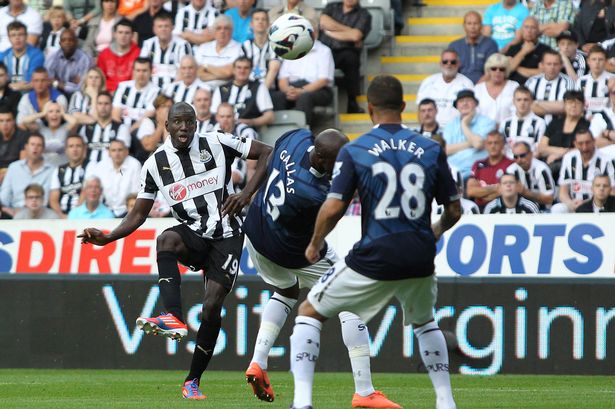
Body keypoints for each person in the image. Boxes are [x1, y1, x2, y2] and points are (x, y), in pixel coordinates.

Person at [78, 101, 272, 399]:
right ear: (166, 126)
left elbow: (266, 152)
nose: (184, 127)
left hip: (228, 234)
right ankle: (173, 317)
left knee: (211, 306)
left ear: (196, 123)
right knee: (165, 239)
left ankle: (192, 380)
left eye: (189, 122)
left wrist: (245, 195)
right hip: (193, 233)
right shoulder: (155, 164)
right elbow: (138, 214)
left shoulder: (217, 141)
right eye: (177, 122)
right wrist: (108, 237)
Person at [289, 75, 461, 409]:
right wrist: (434, 233)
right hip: (420, 255)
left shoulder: (356, 149)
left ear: (369, 110)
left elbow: (335, 205)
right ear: (403, 107)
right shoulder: (430, 148)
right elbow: (454, 209)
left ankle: (302, 403)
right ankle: (445, 402)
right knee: (425, 322)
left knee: (309, 311)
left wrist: (314, 243)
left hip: (376, 254)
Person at [242, 127, 402, 409]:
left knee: (287, 290)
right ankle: (364, 391)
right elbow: (336, 209)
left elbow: (269, 156)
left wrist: (247, 193)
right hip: (287, 248)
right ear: (321, 161)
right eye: (339, 162)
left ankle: (258, 362)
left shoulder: (296, 137)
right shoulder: (312, 192)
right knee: (352, 299)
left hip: (256, 232)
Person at [319, 0, 372, 113]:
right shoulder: (331, 7)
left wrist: (329, 31)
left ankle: (352, 102)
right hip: (324, 50)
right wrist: (348, 30)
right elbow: (323, 21)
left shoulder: (364, 14)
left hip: (345, 51)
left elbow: (356, 36)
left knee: (351, 59)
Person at [278, 29, 335, 127]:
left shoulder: (324, 51)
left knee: (305, 97)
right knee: (276, 97)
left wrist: (301, 91)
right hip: (292, 88)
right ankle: (278, 132)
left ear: (315, 33)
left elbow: (323, 80)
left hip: (319, 90)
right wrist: (288, 91)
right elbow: (282, 79)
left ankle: (302, 134)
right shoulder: (291, 50)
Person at [551, 128, 615, 213]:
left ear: (594, 141)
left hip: (597, 205)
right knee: (557, 209)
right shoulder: (569, 158)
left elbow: (612, 191)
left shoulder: (607, 161)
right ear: (575, 144)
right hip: (574, 204)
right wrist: (571, 203)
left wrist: (586, 204)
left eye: (587, 142)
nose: (584, 147)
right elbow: (563, 191)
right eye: (581, 143)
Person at [443, 89, 496, 179]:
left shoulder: (487, 122)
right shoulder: (450, 125)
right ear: (457, 106)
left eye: (468, 100)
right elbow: (445, 150)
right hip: (452, 172)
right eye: (461, 101)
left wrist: (464, 124)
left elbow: (478, 144)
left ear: (475, 103)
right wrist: (470, 143)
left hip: (477, 172)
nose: (464, 104)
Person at [536, 90, 591, 178]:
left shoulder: (587, 126)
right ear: (564, 105)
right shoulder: (554, 123)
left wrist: (559, 155)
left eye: (577, 103)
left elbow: (583, 148)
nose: (573, 105)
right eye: (570, 102)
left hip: (573, 165)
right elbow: (542, 148)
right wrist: (563, 151)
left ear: (583, 105)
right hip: (548, 162)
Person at [0, 133, 55, 216]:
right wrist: (8, 210)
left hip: (41, 214)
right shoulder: (14, 168)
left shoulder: (52, 170)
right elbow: (4, 197)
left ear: (43, 149)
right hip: (13, 213)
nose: (35, 148)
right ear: (26, 147)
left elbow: (48, 199)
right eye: (32, 144)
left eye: (39, 145)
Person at [210, 56, 274, 127]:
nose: (242, 71)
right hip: (223, 131)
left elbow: (269, 117)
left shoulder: (258, 87)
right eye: (239, 67)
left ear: (251, 70)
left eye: (246, 68)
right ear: (233, 69)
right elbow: (213, 114)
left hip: (247, 130)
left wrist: (250, 122)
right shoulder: (221, 89)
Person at [417, 49, 474, 127]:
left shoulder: (467, 84)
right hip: (432, 131)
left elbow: (472, 112)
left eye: (453, 62)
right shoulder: (428, 82)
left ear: (458, 64)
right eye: (445, 62)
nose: (449, 64)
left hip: (457, 132)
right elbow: (420, 110)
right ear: (440, 63)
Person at [85, 139, 141, 216]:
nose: (117, 153)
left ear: (127, 151)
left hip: (128, 211)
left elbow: (136, 192)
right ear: (109, 153)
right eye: (113, 150)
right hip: (105, 211)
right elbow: (97, 191)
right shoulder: (101, 166)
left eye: (120, 150)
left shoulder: (134, 164)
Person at [140, 12, 193, 89]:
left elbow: (185, 72)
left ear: (172, 28)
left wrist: (170, 91)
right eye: (160, 26)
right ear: (154, 29)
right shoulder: (148, 44)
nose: (163, 29)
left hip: (175, 89)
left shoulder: (182, 45)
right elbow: (141, 68)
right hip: (150, 90)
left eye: (166, 26)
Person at [76, 91, 131, 163]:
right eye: (100, 104)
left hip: (111, 169)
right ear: (96, 106)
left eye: (106, 104)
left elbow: (124, 152)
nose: (103, 107)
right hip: (89, 170)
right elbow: (80, 152)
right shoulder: (86, 128)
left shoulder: (121, 128)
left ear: (111, 106)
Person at [466, 131, 514, 209]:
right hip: (480, 210)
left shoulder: (511, 165)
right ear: (485, 145)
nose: (493, 146)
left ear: (503, 145)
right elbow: (470, 191)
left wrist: (481, 191)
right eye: (490, 143)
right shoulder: (478, 165)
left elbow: (508, 191)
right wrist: (495, 188)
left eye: (496, 143)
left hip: (502, 209)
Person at [112, 57, 160, 134]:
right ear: (133, 71)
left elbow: (147, 117)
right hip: (120, 131)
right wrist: (121, 133)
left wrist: (127, 134)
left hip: (141, 133)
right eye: (138, 70)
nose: (141, 74)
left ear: (151, 72)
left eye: (144, 71)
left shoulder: (156, 91)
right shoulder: (122, 87)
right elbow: (115, 114)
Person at [195, 15, 243, 90]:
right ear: (214, 31)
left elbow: (229, 72)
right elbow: (197, 73)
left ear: (231, 31)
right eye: (218, 28)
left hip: (226, 90)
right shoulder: (203, 48)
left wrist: (206, 66)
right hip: (202, 90)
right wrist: (222, 75)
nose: (222, 31)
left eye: (226, 28)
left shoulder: (239, 48)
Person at [448, 11, 498, 84]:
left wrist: (477, 87)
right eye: (469, 23)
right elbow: (450, 70)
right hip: (459, 85)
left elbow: (492, 70)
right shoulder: (454, 46)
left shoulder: (490, 44)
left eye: (475, 23)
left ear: (481, 25)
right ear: (464, 26)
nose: (472, 27)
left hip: (484, 85)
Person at [525, 50, 574, 120]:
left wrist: (536, 102)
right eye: (549, 64)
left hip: (558, 127)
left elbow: (566, 106)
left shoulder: (568, 81)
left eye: (555, 64)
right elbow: (525, 105)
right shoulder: (532, 81)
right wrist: (555, 107)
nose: (552, 67)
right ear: (542, 65)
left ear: (561, 65)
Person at [505, 141, 556, 209]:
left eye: (522, 156)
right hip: (520, 211)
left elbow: (549, 199)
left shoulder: (541, 169)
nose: (519, 160)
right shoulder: (511, 171)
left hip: (544, 211)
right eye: (516, 157)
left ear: (531, 154)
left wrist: (525, 192)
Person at [49, 134, 89, 218]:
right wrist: (61, 216)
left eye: (78, 146)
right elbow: (53, 199)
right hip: (61, 216)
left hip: (83, 215)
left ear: (84, 149)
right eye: (71, 146)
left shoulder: (90, 167)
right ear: (66, 150)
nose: (75, 149)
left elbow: (86, 192)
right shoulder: (58, 170)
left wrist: (73, 216)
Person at [44, 29, 93, 98]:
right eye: (64, 40)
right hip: (56, 94)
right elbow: (48, 81)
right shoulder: (52, 58)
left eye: (70, 40)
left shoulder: (84, 59)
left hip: (78, 96)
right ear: (60, 43)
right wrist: (71, 84)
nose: (67, 42)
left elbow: (81, 87)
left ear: (76, 42)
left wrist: (57, 83)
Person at [500, 86, 547, 156]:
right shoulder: (505, 123)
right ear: (513, 101)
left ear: (531, 101)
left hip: (529, 163)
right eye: (519, 100)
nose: (522, 103)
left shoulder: (540, 123)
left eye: (526, 100)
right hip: (508, 163)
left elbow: (539, 149)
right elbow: (502, 148)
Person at [97, 18, 141, 92]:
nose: (123, 36)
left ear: (132, 35)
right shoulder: (104, 54)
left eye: (127, 33)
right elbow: (101, 78)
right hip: (107, 93)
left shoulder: (139, 53)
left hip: (129, 93)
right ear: (114, 34)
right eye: (120, 32)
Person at [241, 9, 281, 90]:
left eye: (263, 19)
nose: (260, 22)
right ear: (251, 24)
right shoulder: (245, 46)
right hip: (248, 89)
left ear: (268, 25)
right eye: (257, 19)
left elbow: (274, 70)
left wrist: (261, 93)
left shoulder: (276, 45)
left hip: (269, 89)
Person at [0, 21, 45, 92]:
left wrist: (19, 87)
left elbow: (33, 82)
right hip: (7, 95)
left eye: (20, 34)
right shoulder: (2, 56)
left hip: (29, 94)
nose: (17, 38)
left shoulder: (37, 55)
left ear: (26, 36)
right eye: (13, 35)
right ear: (9, 38)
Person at [474, 53, 518, 124]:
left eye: (502, 69)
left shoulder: (514, 86)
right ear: (488, 70)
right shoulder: (478, 89)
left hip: (508, 131)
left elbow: (517, 111)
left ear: (506, 71)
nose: (498, 71)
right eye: (494, 68)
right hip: (482, 131)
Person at [506, 17, 552, 85]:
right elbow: (507, 69)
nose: (529, 31)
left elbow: (545, 73)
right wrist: (523, 52)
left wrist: (516, 67)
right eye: (526, 27)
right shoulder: (513, 48)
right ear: (522, 30)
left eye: (533, 28)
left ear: (538, 30)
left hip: (535, 86)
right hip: (513, 87)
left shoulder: (546, 50)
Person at [576, 45, 613, 116]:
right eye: (594, 59)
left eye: (600, 59)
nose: (597, 62)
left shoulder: (613, 79)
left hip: (607, 122)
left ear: (606, 62)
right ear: (588, 61)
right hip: (585, 121)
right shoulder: (581, 81)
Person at [0, 106, 29, 172]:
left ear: (14, 121)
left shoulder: (23, 136)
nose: (5, 124)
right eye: (1, 121)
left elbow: (23, 164)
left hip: (16, 173)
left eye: (8, 120)